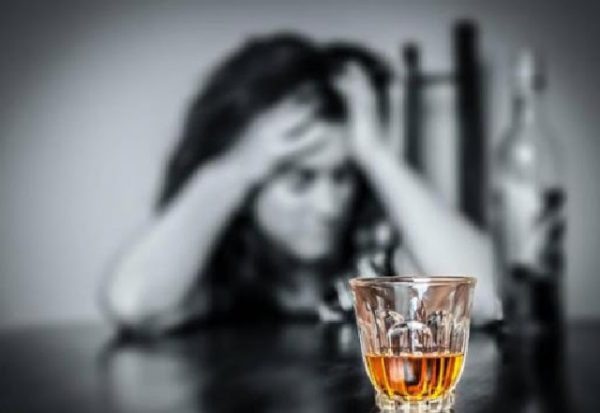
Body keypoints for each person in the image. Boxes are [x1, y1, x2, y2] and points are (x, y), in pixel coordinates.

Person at [100, 33, 498, 336]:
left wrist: (377, 155)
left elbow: (485, 299)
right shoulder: (210, 265)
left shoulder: (376, 245)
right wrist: (237, 165)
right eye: (300, 179)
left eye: (343, 175)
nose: (330, 206)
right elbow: (132, 304)